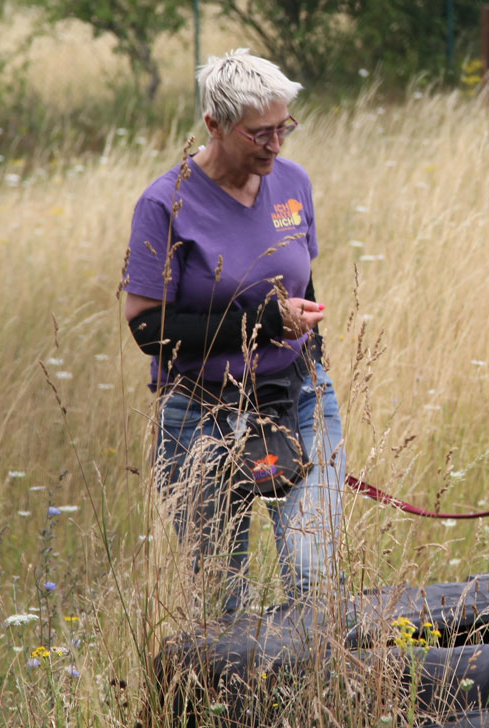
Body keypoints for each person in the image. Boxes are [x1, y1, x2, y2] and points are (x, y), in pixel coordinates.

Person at [122, 49, 344, 615]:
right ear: (214, 125)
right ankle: (241, 705)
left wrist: (307, 354)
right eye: (259, 133)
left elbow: (303, 276)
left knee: (314, 576)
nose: (276, 144)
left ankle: (316, 701)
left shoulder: (293, 182)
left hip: (297, 399)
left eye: (283, 127)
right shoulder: (163, 203)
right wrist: (264, 325)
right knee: (224, 599)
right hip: (199, 417)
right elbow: (148, 326)